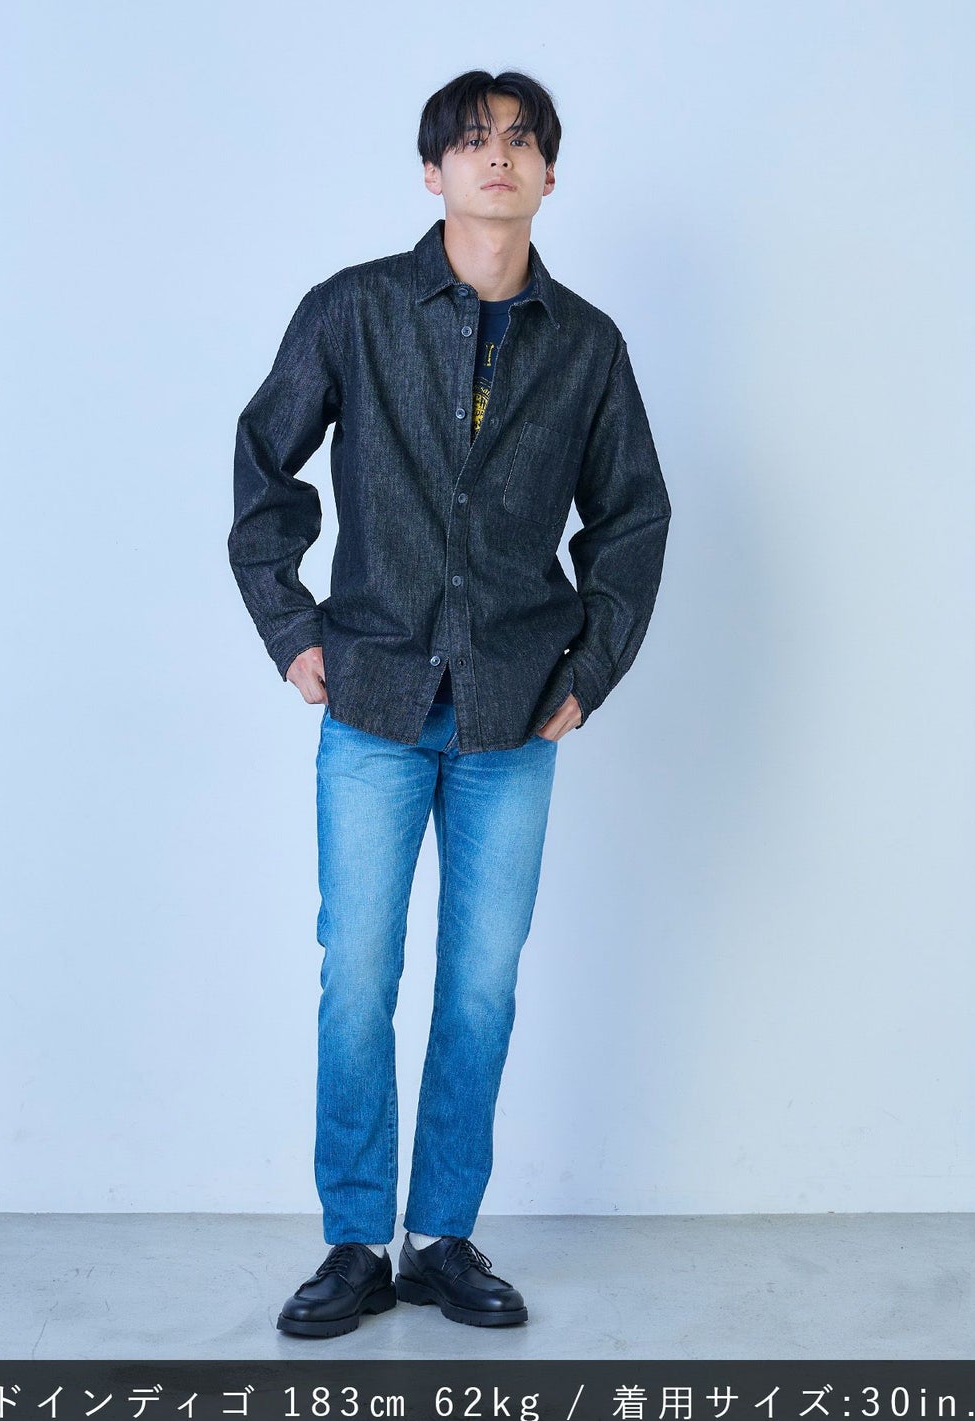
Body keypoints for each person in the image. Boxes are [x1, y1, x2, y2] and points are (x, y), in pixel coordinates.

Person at [228, 68, 670, 1338]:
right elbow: (265, 464)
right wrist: (290, 629)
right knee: (358, 978)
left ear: (549, 174)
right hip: (372, 697)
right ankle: (356, 1242)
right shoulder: (354, 309)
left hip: (512, 714)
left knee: (480, 987)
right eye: (472, 142)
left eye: (521, 141)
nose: (497, 158)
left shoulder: (588, 346)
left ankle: (441, 1239)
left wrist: (591, 672)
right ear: (433, 172)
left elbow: (632, 518)